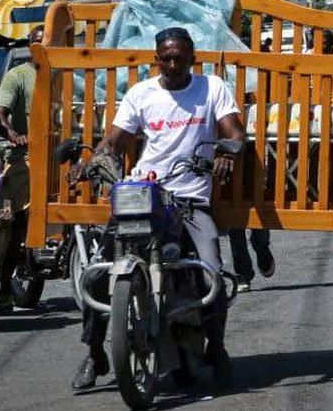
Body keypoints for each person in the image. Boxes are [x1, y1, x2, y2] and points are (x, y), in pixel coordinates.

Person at [73, 27, 245, 391]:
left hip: (191, 200)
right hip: (145, 195)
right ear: (156, 59)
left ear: (192, 58)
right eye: (165, 58)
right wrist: (94, 160)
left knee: (211, 268)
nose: (172, 64)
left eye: (179, 58)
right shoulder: (141, 93)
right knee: (98, 270)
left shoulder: (211, 88)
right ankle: (94, 353)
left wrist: (226, 152)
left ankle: (217, 348)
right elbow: (115, 140)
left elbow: (236, 135)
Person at [0, 26, 43, 313]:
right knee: (19, 221)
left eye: (47, 40)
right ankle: (5, 288)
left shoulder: (67, 72)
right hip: (26, 156)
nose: (42, 45)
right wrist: (12, 133)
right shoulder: (18, 76)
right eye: (36, 41)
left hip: (61, 156)